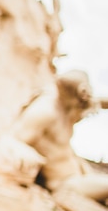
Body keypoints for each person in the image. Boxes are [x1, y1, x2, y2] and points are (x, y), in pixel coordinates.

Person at [11, 69, 108, 203]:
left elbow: (96, 102)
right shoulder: (45, 111)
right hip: (65, 184)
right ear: (80, 93)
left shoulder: (67, 105)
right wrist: (23, 152)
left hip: (82, 175)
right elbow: (15, 138)